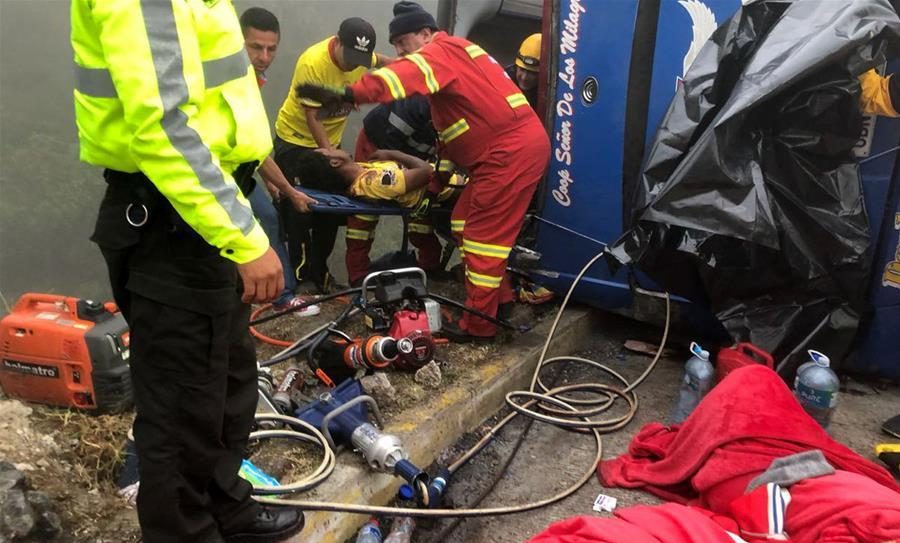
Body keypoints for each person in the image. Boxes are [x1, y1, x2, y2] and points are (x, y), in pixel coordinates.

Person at [71, 1, 303, 541]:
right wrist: (244, 238)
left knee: (227, 388)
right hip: (172, 220)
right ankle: (186, 531)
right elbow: (162, 127)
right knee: (181, 408)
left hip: (203, 208)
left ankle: (226, 511)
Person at [297, 1, 551, 342]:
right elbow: (450, 141)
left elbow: (403, 77)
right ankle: (499, 303)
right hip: (507, 154)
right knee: (462, 221)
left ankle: (480, 326)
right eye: (397, 46)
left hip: (507, 156)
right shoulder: (454, 65)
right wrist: (436, 183)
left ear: (426, 34)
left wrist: (351, 92)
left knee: (480, 238)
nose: (401, 51)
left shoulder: (441, 52)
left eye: (404, 43)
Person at [274, 18, 392, 293]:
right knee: (300, 210)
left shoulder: (361, 55)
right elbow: (313, 117)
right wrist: (330, 154)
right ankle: (300, 279)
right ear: (336, 41)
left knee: (332, 210)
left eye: (359, 59)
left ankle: (320, 272)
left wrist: (413, 66)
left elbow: (382, 60)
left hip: (330, 145)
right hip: (295, 142)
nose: (353, 64)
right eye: (349, 56)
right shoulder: (312, 62)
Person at [240, 7, 321, 316]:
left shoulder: (250, 79)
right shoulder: (230, 79)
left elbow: (254, 146)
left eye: (271, 49)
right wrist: (289, 190)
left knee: (269, 219)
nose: (264, 56)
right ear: (240, 41)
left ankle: (282, 296)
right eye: (256, 47)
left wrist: (275, 185)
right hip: (215, 176)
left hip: (241, 172)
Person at [348, 95, 444, 286]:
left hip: (419, 164)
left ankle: (429, 271)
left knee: (421, 220)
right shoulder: (417, 105)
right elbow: (390, 141)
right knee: (363, 214)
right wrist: (405, 178)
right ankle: (358, 276)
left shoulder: (459, 116)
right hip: (378, 147)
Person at [506, 33, 541, 110]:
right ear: (516, 66)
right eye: (522, 69)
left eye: (532, 73)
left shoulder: (548, 93)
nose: (524, 78)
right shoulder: (504, 81)